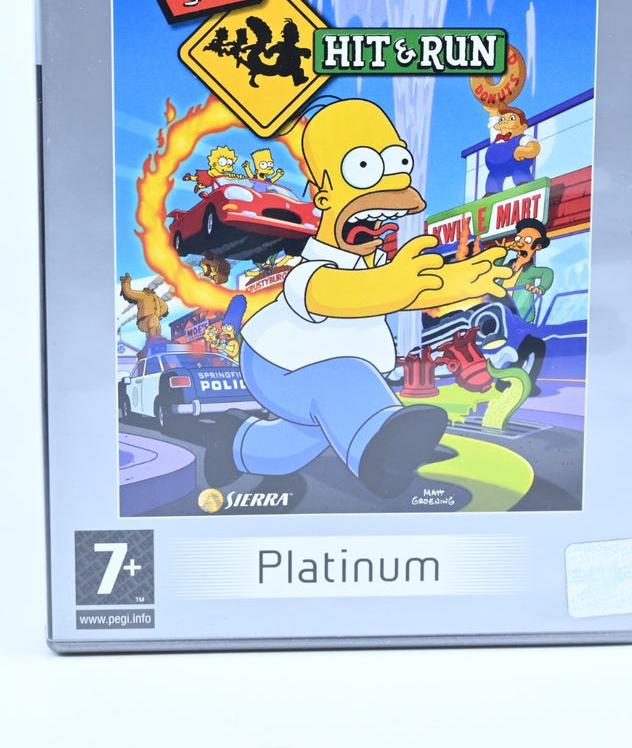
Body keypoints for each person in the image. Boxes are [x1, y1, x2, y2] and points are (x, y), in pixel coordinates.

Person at [203, 100, 511, 498]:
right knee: (346, 378)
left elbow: (414, 288)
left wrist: (463, 280)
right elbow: (339, 294)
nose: (382, 216)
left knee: (294, 445)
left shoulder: (377, 266)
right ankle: (377, 456)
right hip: (279, 366)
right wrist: (397, 285)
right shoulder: (311, 270)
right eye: (365, 168)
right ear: (321, 196)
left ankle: (235, 445)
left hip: (316, 373)